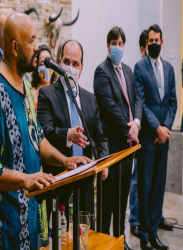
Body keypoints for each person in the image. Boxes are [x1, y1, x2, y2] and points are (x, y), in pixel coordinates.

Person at [0, 13, 91, 250]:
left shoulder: (26, 85)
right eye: (32, 40)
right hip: (4, 230)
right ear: (15, 48)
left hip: (30, 222)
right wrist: (27, 179)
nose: (37, 47)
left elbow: (37, 136)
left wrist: (65, 160)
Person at [37, 39, 109, 223]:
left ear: (82, 67)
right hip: (59, 178)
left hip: (84, 181)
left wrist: (104, 160)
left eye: (75, 64)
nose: (70, 67)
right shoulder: (48, 95)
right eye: (67, 62)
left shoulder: (90, 99)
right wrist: (67, 135)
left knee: (84, 232)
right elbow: (43, 131)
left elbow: (100, 138)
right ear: (59, 61)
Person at [93, 26, 142, 250]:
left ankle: (119, 241)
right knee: (107, 202)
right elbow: (110, 108)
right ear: (108, 45)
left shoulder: (129, 71)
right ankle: (104, 243)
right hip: (111, 147)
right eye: (114, 43)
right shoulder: (101, 72)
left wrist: (137, 123)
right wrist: (128, 128)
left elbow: (138, 100)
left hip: (128, 147)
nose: (117, 47)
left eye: (121, 44)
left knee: (123, 200)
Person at [134, 24, 177, 250]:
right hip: (148, 140)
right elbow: (140, 102)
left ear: (162, 41)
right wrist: (156, 129)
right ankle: (143, 236)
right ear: (146, 43)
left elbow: (172, 102)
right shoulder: (139, 68)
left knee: (159, 189)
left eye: (157, 40)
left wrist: (166, 128)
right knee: (145, 187)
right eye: (150, 40)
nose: (154, 43)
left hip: (163, 140)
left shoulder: (169, 69)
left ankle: (153, 234)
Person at [129, 29, 148, 238]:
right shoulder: (138, 69)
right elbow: (138, 101)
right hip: (140, 131)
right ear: (142, 48)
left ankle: (150, 215)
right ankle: (134, 218)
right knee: (135, 178)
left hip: (153, 133)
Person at [31, 44, 57, 109]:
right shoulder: (32, 92)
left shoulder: (58, 88)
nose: (46, 67)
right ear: (37, 67)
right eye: (42, 64)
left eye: (49, 62)